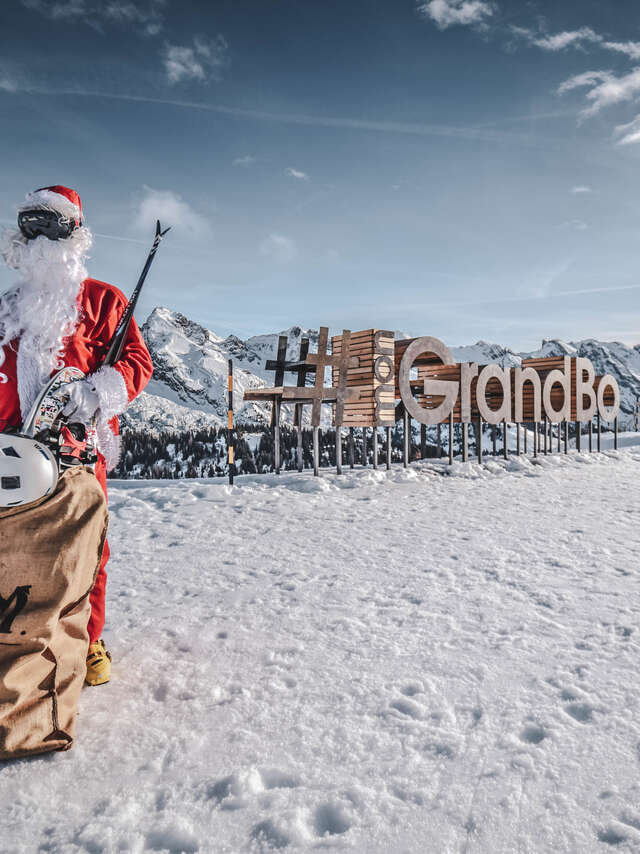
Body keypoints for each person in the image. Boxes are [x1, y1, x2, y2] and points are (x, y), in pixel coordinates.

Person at [0, 185, 153, 685]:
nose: (43, 240)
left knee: (88, 549)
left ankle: (88, 638)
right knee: (16, 549)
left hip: (78, 452)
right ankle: (24, 637)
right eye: (32, 226)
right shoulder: (8, 307)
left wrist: (97, 392)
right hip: (12, 451)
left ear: (75, 234)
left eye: (55, 226)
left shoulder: (104, 300)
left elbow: (138, 361)